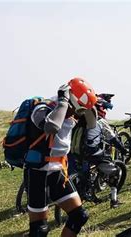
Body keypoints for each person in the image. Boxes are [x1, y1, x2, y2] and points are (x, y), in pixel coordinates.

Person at [25, 77, 97, 237]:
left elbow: (92, 124)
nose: (77, 115)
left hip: (58, 172)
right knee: (39, 230)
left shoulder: (71, 114)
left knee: (79, 216)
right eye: (78, 110)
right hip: (38, 172)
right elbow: (51, 127)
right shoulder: (44, 108)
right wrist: (63, 102)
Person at [82, 94, 128, 208]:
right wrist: (122, 149)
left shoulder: (79, 121)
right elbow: (112, 138)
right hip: (92, 152)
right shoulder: (100, 121)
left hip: (76, 153)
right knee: (115, 171)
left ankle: (88, 188)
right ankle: (114, 201)